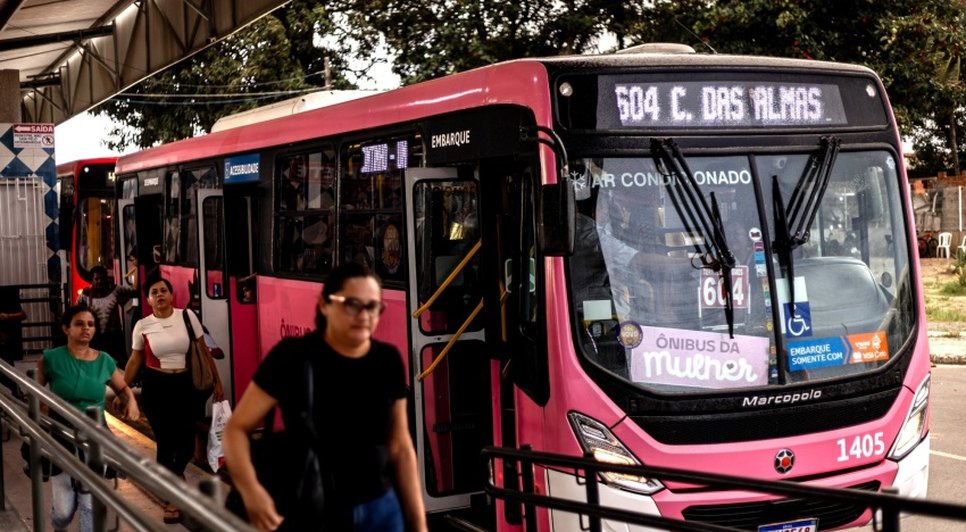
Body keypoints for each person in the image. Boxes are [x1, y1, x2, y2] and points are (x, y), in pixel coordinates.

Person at [223, 262, 426, 532]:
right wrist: (252, 492)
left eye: (373, 306)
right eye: (352, 304)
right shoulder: (293, 356)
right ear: (324, 305)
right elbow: (236, 430)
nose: (364, 315)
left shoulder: (387, 360)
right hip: (315, 508)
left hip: (381, 507)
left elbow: (400, 446)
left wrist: (418, 522)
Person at [119, 278, 225, 524]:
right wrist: (123, 390)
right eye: (154, 292)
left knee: (186, 444)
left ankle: (175, 479)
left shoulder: (187, 317)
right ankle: (171, 501)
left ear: (171, 294)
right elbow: (135, 361)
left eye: (163, 290)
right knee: (166, 444)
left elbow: (203, 352)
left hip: (186, 387)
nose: (159, 295)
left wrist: (217, 383)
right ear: (147, 300)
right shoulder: (143, 325)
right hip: (157, 389)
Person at [37, 305, 139, 532]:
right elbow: (34, 393)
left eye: (90, 324)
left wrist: (130, 401)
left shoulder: (104, 360)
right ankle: (59, 524)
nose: (86, 328)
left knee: (89, 502)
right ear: (66, 329)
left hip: (94, 435)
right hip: (60, 434)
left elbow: (123, 388)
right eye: (79, 324)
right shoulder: (51, 358)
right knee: (63, 511)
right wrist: (41, 409)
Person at [77, 266, 137, 367]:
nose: (99, 281)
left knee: (119, 365)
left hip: (114, 337)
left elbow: (134, 292)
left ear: (106, 279)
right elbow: (77, 313)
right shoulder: (85, 294)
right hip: (95, 338)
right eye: (96, 279)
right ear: (92, 280)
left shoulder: (116, 289)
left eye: (102, 278)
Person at [0, 284, 28, 392]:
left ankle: (16, 390)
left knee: (7, 368)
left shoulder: (5, 296)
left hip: (4, 340)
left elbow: (23, 314)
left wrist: (7, 316)